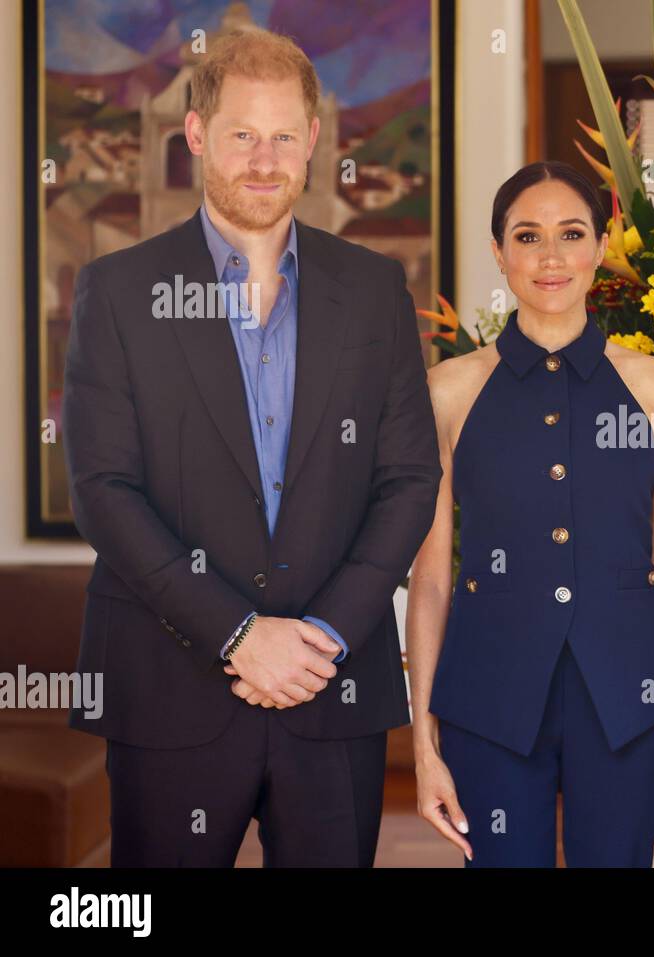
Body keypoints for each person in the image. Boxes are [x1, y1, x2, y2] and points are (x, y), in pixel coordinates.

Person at [62, 29, 440, 866]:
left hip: (331, 687)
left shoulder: (375, 290)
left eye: (282, 136)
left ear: (312, 140)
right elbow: (104, 488)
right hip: (168, 688)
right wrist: (240, 634)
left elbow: (410, 478)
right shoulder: (119, 291)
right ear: (195, 134)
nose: (263, 160)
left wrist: (321, 638)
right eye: (240, 135)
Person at [405, 161, 654, 866]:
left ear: (602, 246)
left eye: (571, 234)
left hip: (629, 704)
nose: (550, 256)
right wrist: (423, 744)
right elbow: (432, 579)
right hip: (489, 703)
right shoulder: (445, 392)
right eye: (527, 235)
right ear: (498, 252)